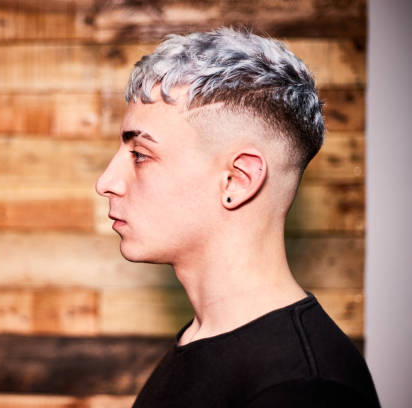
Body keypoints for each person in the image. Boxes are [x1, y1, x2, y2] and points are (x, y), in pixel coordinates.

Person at [95, 27, 380, 407]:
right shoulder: (201, 339)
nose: (106, 182)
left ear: (238, 180)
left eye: (140, 154)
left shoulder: (304, 388)